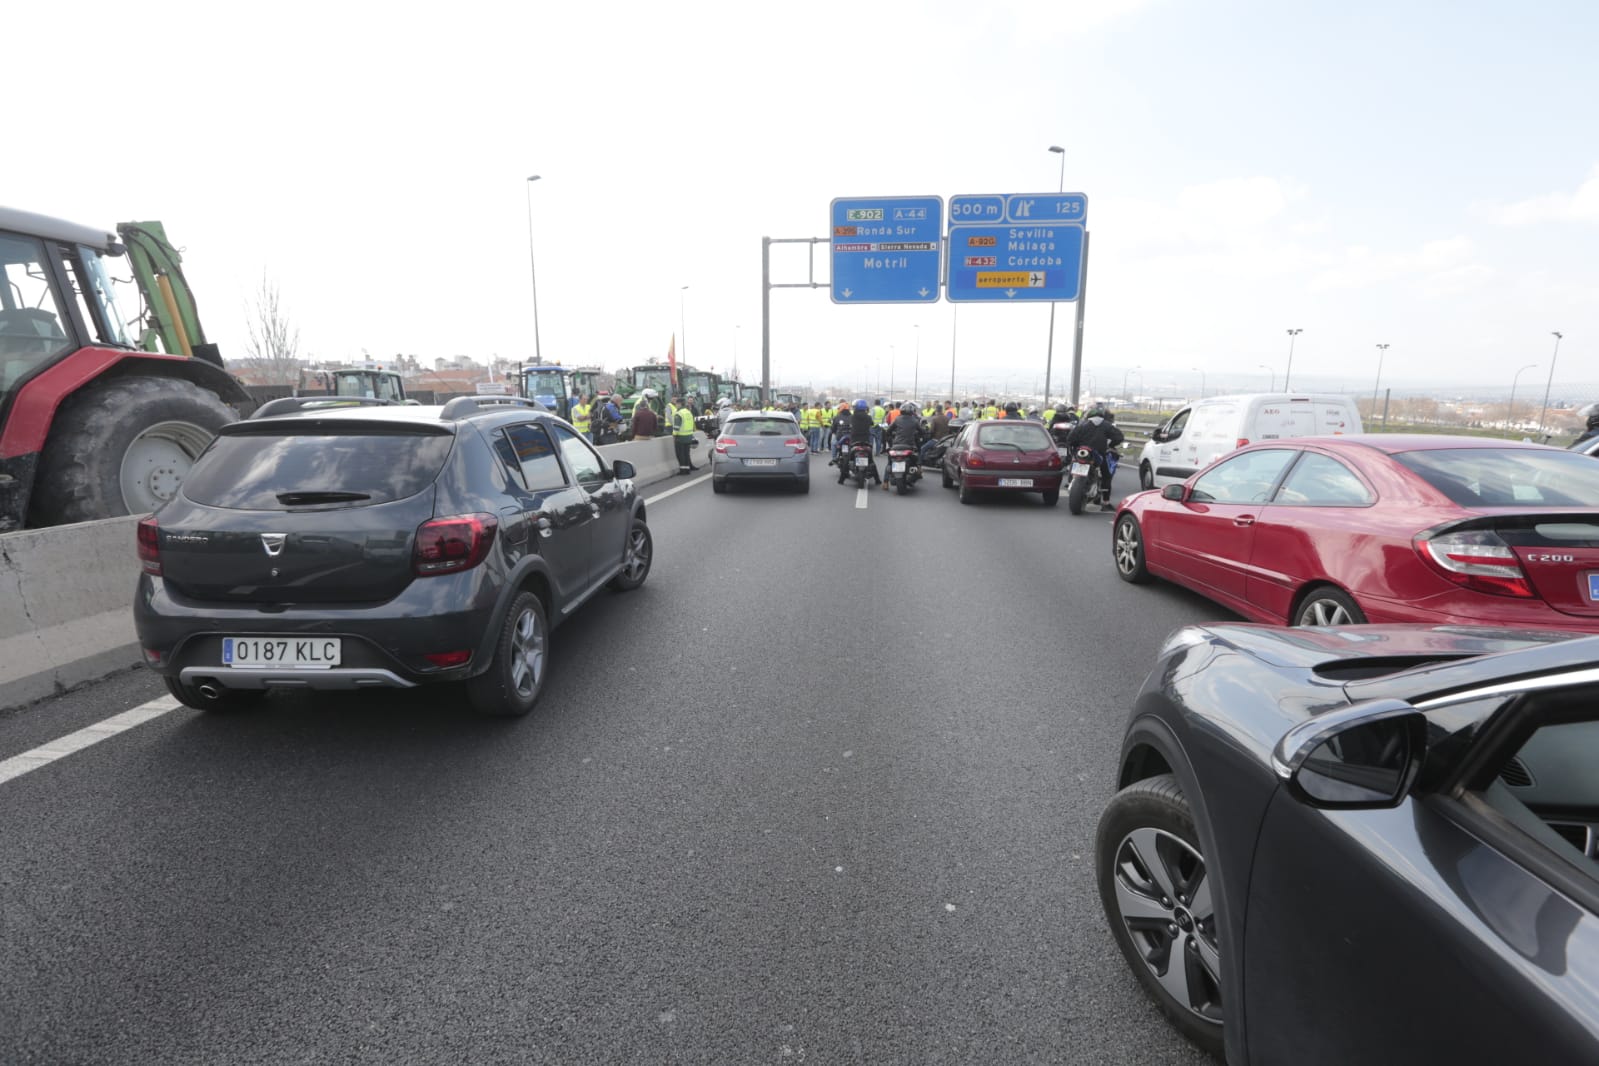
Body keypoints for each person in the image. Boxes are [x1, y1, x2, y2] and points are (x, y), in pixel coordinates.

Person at [1063, 404, 1126, 510]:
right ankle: (1106, 502)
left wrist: (1075, 446)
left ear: (1088, 416)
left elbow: (1070, 439)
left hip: (1082, 453)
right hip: (1098, 454)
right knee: (1107, 475)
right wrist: (1110, 444)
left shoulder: (1082, 425)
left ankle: (1070, 481)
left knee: (1073, 463)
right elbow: (1119, 437)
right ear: (1102, 416)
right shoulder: (1107, 425)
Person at [882, 401, 926, 490]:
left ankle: (885, 482)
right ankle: (918, 471)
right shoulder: (915, 420)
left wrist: (890, 437)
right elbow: (922, 432)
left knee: (890, 462)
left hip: (896, 445)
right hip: (909, 445)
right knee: (916, 459)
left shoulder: (897, 419)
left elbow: (888, 431)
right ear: (912, 411)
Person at [838, 399, 881, 485]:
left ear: (856, 408)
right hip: (866, 442)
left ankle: (841, 479)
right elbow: (871, 424)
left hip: (855, 441)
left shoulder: (852, 417)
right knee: (871, 461)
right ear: (865, 408)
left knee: (847, 459)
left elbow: (848, 424)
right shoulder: (868, 417)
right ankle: (877, 480)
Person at [672, 395, 699, 474]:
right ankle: (687, 469)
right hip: (689, 436)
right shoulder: (688, 412)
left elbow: (676, 427)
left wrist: (674, 435)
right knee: (686, 453)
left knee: (680, 454)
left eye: (677, 404)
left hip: (681, 437)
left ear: (680, 404)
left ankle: (683, 470)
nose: (676, 405)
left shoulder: (679, 414)